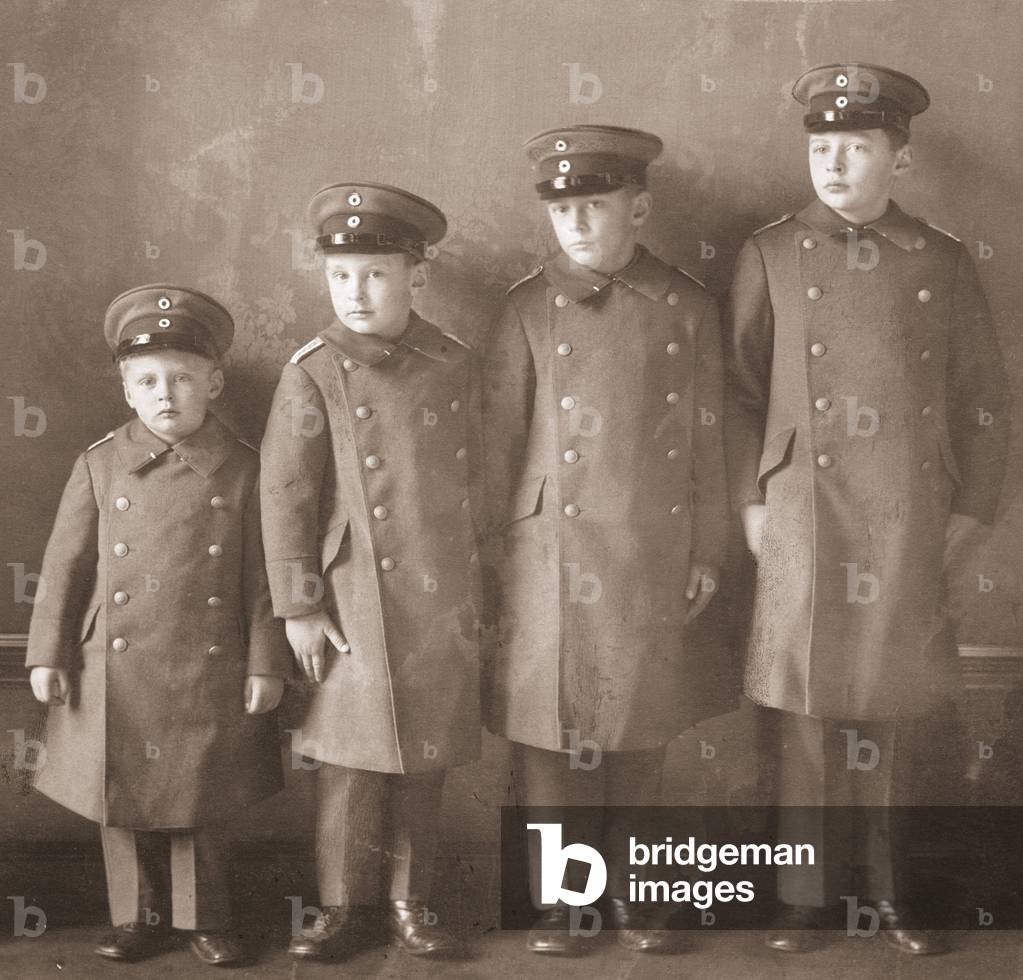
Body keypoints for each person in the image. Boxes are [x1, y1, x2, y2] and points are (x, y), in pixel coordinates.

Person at [724, 63, 1009, 954]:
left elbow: (984, 400)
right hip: (803, 511)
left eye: (856, 146)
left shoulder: (938, 258)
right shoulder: (768, 252)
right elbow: (733, 393)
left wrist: (967, 511)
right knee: (806, 712)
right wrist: (749, 500)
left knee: (894, 705)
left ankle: (895, 894)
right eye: (821, 147)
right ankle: (805, 899)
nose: (834, 164)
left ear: (899, 157)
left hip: (906, 513)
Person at [479, 124, 729, 954]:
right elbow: (496, 443)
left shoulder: (687, 306)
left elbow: (708, 439)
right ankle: (565, 901)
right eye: (562, 211)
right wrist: (494, 553)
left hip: (649, 547)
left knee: (638, 729)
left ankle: (639, 898)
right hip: (547, 551)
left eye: (594, 206)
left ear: (639, 207)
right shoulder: (522, 307)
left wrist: (705, 547)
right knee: (554, 739)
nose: (577, 225)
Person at [26, 284, 289, 966]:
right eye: (147, 380)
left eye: (181, 378)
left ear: (216, 382)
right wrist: (46, 655)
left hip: (207, 662)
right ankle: (137, 916)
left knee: (198, 795)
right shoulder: (98, 463)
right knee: (120, 796)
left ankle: (206, 917)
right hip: (112, 667)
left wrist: (266, 663)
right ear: (125, 389)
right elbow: (64, 568)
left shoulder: (244, 467)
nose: (165, 394)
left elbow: (263, 580)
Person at [260, 182, 480, 961]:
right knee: (349, 761)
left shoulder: (452, 363)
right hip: (347, 596)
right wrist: (298, 606)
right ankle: (340, 905)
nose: (356, 292)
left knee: (422, 755)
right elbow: (285, 495)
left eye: (376, 274)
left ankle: (409, 903)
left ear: (416, 279)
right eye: (342, 274)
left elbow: (480, 482)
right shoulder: (312, 371)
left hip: (439, 593)